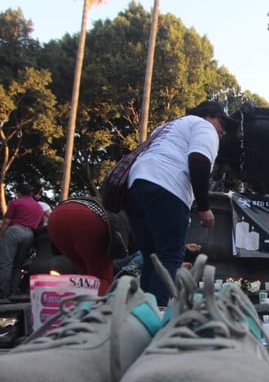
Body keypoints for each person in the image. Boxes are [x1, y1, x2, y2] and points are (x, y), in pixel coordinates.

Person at [122, 100, 229, 305]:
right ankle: (160, 313)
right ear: (208, 115)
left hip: (136, 187)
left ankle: (143, 315)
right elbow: (199, 159)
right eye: (222, 124)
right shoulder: (204, 126)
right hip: (168, 187)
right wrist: (204, 208)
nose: (222, 133)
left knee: (151, 258)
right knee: (170, 257)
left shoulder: (166, 127)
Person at [48, 197, 129, 293]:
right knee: (101, 276)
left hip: (56, 217)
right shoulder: (128, 217)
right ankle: (99, 306)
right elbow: (121, 247)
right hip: (87, 217)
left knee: (85, 275)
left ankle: (77, 304)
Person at [0, 183, 45, 299]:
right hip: (30, 234)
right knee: (18, 265)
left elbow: (6, 221)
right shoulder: (39, 207)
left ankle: (4, 291)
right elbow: (40, 225)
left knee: (6, 263)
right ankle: (14, 290)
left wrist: (0, 239)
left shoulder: (15, 203)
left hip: (14, 231)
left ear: (19, 193)